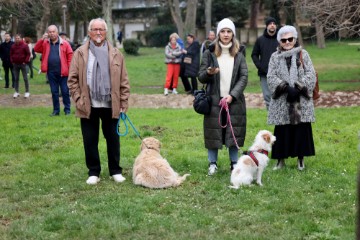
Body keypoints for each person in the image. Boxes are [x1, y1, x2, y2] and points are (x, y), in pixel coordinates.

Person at [67, 18, 130, 185]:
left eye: (101, 29)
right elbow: (72, 79)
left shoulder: (116, 54)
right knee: (90, 140)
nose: (98, 32)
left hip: (111, 104)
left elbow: (124, 81)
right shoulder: (80, 53)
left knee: (113, 140)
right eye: (95, 29)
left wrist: (123, 102)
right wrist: (78, 99)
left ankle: (115, 171)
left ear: (106, 32)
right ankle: (94, 171)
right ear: (89, 32)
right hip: (88, 105)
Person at [198, 18, 248, 175]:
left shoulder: (239, 54)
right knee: (213, 132)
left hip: (234, 101)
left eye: (229, 31)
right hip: (214, 101)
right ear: (218, 33)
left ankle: (234, 163)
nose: (226, 34)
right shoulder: (209, 53)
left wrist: (232, 95)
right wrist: (208, 72)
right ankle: (212, 163)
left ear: (233, 34)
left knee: (234, 133)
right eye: (223, 31)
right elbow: (200, 76)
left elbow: (244, 77)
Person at [267, 25, 316, 171]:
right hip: (282, 101)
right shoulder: (274, 57)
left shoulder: (303, 54)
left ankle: (301, 159)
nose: (287, 42)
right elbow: (270, 77)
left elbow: (311, 74)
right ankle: (280, 160)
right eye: (284, 40)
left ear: (295, 39)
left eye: (290, 39)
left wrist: (298, 87)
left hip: (300, 101)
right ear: (279, 41)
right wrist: (285, 87)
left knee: (301, 130)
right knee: (282, 131)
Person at [34, 25, 73, 116]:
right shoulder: (45, 43)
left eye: (53, 31)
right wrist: (41, 39)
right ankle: (56, 111)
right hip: (51, 72)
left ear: (57, 32)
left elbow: (70, 55)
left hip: (63, 72)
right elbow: (36, 49)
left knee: (65, 92)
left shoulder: (65, 43)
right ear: (47, 33)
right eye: (50, 32)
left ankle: (67, 110)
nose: (51, 34)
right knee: (54, 92)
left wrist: (68, 68)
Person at [251, 17, 278, 110]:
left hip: (279, 73)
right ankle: (270, 116)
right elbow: (254, 55)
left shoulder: (281, 40)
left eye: (274, 23)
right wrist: (260, 66)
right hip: (264, 73)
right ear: (266, 26)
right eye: (270, 24)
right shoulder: (260, 40)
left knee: (279, 95)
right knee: (267, 96)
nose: (272, 25)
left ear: (276, 26)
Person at [10, 34, 31, 98]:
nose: (17, 39)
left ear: (21, 38)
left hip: (23, 64)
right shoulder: (13, 46)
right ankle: (16, 92)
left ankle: (27, 92)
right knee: (16, 78)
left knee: (25, 78)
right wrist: (12, 61)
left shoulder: (24, 45)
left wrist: (25, 61)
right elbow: (11, 54)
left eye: (18, 38)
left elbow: (28, 54)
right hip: (15, 64)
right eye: (16, 38)